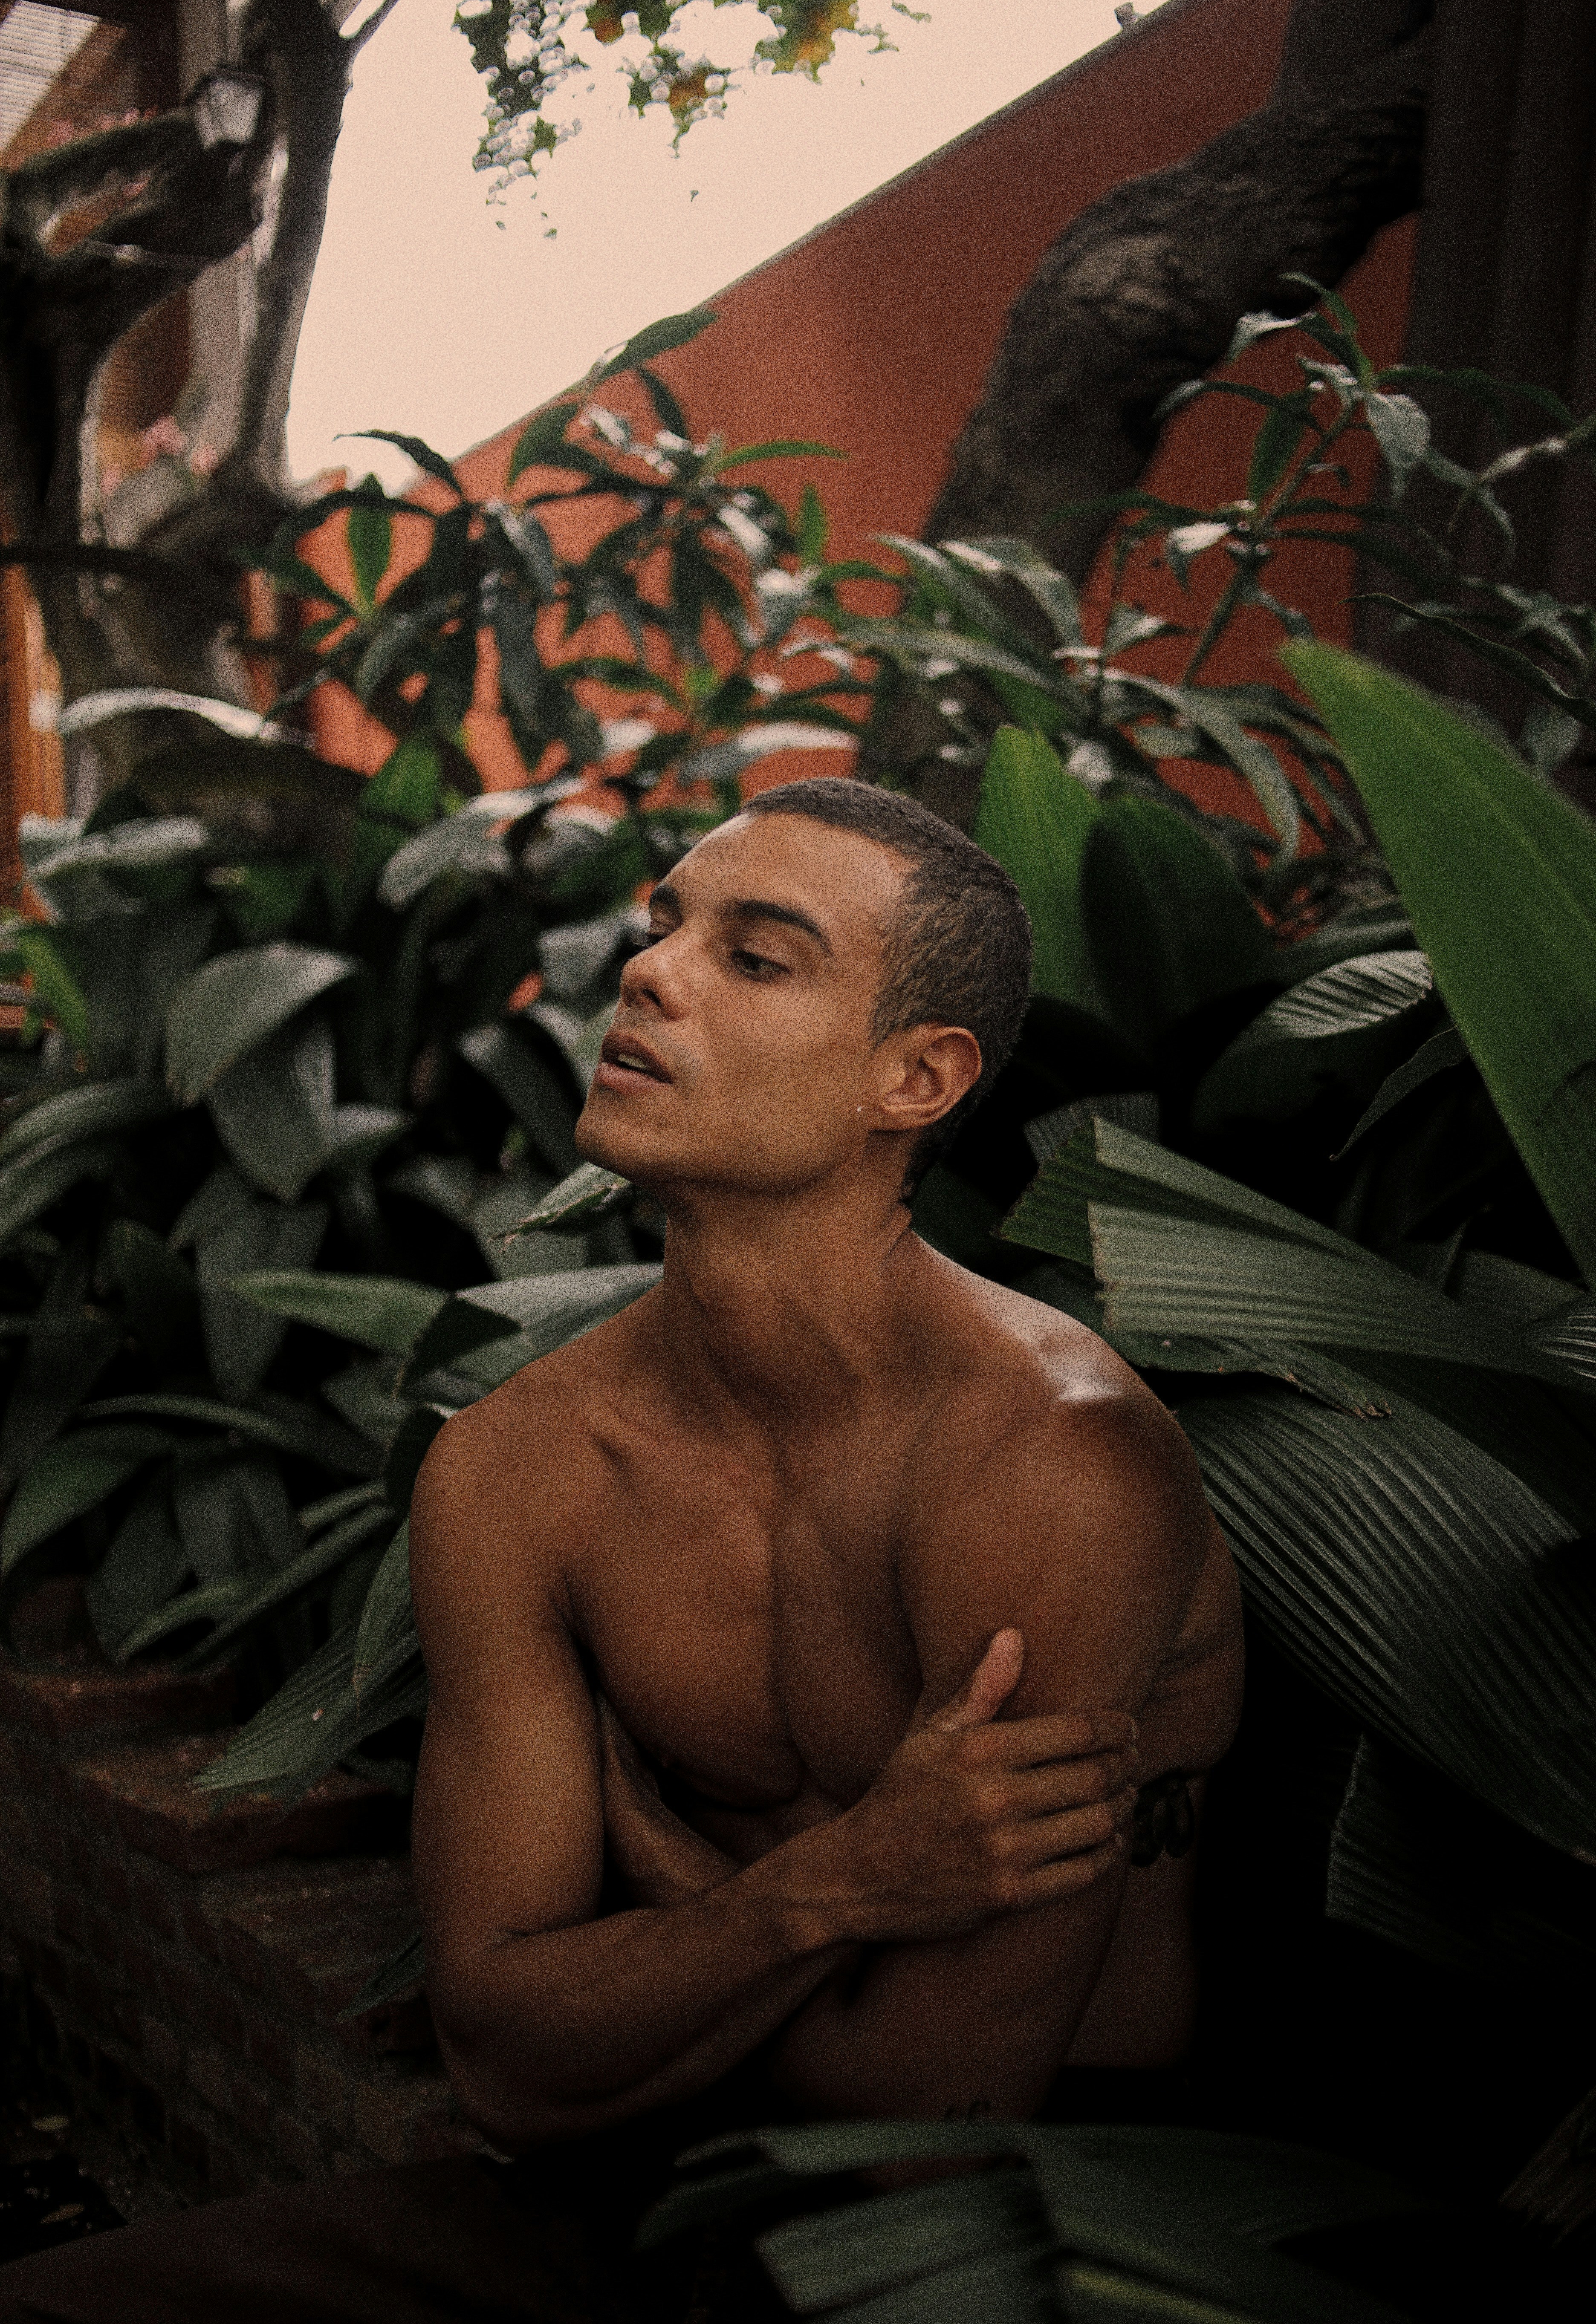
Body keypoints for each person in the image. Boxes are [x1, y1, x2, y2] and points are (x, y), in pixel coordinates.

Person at [0, 780, 1242, 2323]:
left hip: (1035, 2236)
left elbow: (924, 2135)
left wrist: (666, 1877)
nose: (648, 972)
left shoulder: (1051, 1464)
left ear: (915, 1078)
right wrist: (835, 1883)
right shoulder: (516, 1469)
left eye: (755, 957)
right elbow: (506, 2061)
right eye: (664, 929)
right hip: (658, 2177)